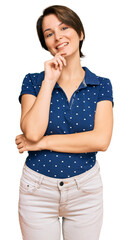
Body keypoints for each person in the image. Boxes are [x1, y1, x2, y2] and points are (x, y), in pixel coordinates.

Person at [15, 5, 114, 240]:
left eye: (64, 27)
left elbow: (101, 140)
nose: (58, 36)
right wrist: (49, 81)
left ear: (80, 33)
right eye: (49, 33)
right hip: (37, 191)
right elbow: (31, 131)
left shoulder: (101, 85)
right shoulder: (33, 81)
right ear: (46, 44)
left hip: (86, 191)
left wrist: (41, 143)